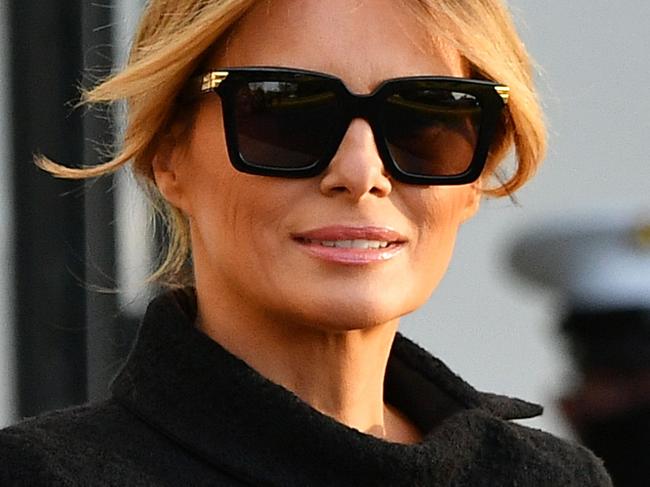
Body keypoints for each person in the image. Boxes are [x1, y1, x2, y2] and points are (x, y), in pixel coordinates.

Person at [0, 0, 612, 485]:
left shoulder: (553, 477)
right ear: (168, 154)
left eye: (427, 120)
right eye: (285, 112)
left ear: (476, 177)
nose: (361, 172)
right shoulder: (42, 475)